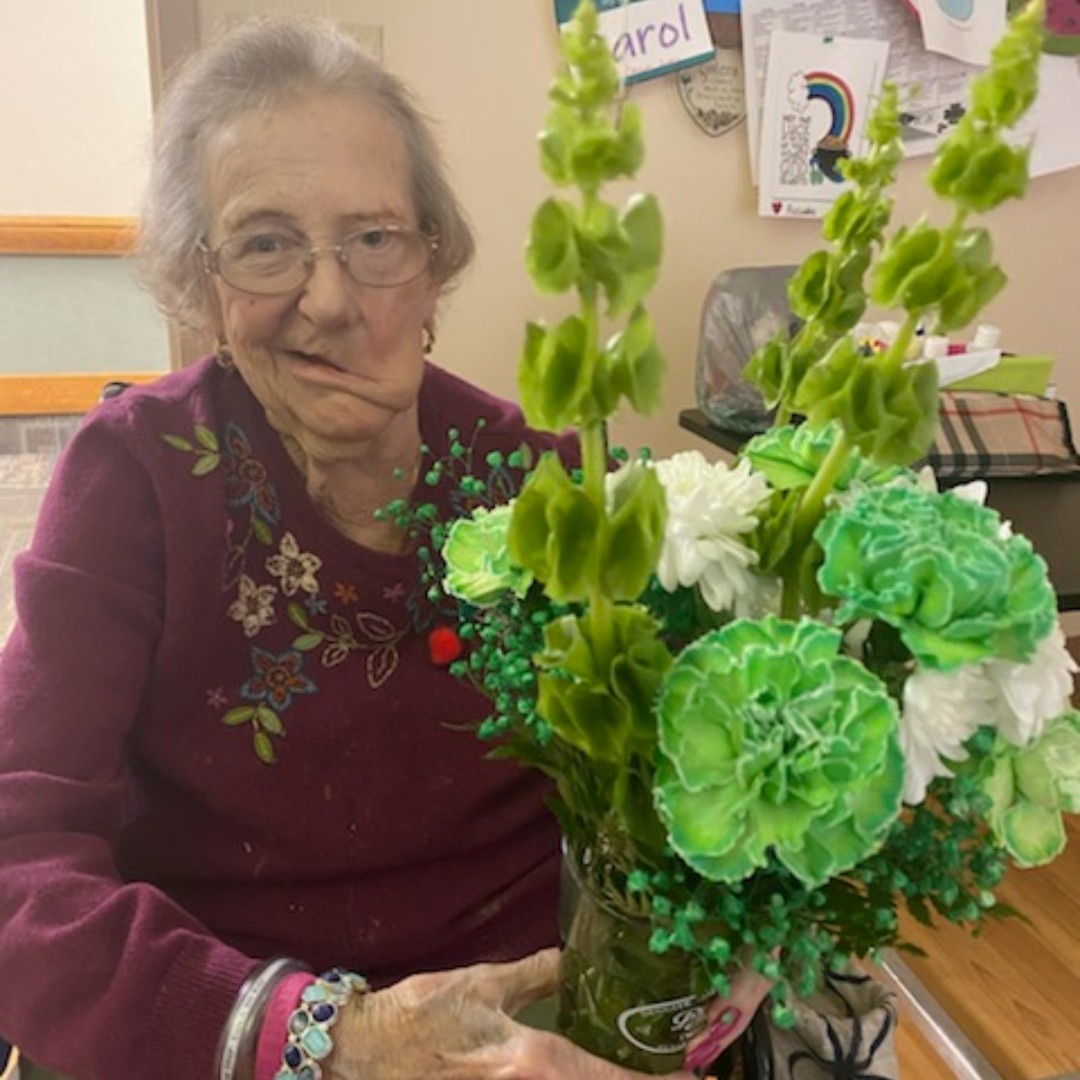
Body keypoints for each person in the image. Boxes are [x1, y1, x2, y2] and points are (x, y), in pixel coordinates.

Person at [0, 15, 772, 1080]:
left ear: (433, 266)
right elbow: (19, 863)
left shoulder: (541, 483)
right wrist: (330, 1041)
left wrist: (728, 944)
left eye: (373, 240)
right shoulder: (135, 477)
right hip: (231, 1037)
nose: (328, 298)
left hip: (537, 1044)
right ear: (201, 282)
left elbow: (696, 775)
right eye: (266, 243)